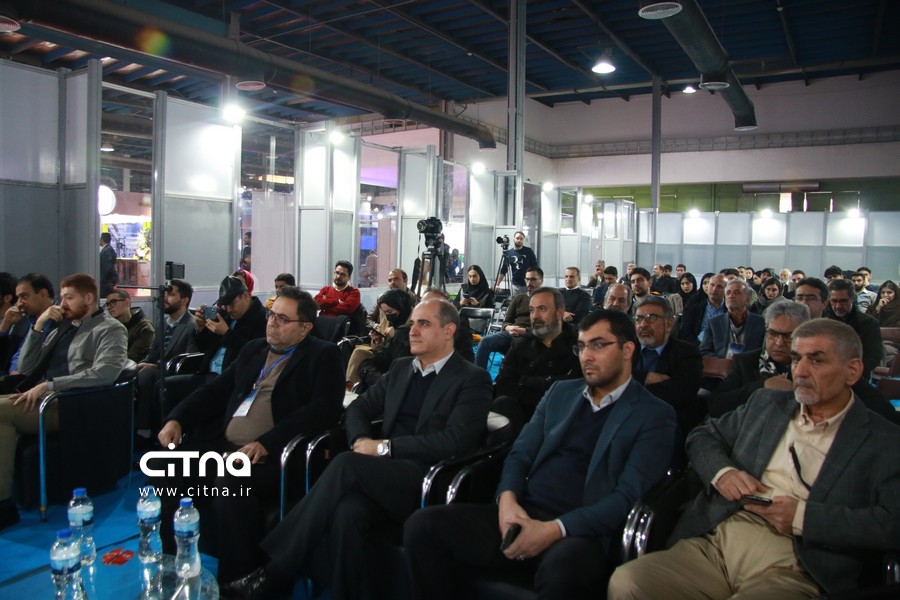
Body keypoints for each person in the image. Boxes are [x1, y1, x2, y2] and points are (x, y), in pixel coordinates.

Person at [608, 318, 900, 599]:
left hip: (800, 561)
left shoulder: (883, 440)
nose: (800, 371)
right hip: (721, 536)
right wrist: (723, 473)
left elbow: (892, 523)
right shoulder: (767, 404)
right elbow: (703, 436)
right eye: (796, 359)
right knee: (628, 582)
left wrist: (803, 518)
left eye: (816, 360)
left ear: (852, 371)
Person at [221, 299, 493, 600]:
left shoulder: (471, 378)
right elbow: (359, 408)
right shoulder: (402, 368)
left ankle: (275, 572)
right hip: (380, 475)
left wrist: (383, 448)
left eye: (423, 324)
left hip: (429, 479)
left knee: (345, 464)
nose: (412, 331)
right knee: (347, 511)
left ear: (449, 331)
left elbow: (454, 441)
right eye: (412, 323)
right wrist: (362, 440)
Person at [403, 310, 677, 600]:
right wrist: (507, 500)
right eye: (581, 346)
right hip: (524, 511)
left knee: (563, 573)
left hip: (582, 531)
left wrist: (555, 529)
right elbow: (520, 453)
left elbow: (625, 498)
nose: (586, 356)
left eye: (598, 345)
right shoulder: (561, 393)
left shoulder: (654, 415)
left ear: (627, 350)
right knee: (422, 527)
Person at [151, 287, 344, 583]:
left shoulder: (324, 355)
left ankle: (238, 581)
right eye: (271, 315)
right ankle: (173, 564)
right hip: (224, 444)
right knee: (166, 464)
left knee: (231, 479)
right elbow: (215, 391)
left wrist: (267, 443)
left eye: (282, 319)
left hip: (275, 456)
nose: (272, 322)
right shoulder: (254, 349)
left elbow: (322, 411)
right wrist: (177, 419)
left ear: (305, 328)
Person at [0, 273, 127, 529]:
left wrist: (51, 385)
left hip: (71, 404)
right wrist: (39, 326)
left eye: (69, 298)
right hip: (44, 395)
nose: (62, 304)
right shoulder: (63, 327)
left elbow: (105, 373)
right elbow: (27, 366)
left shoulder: (110, 329)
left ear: (88, 298)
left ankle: (3, 505)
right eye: (62, 298)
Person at [708, 300, 897, 424]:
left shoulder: (822, 368)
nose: (778, 343)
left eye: (788, 336)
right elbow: (716, 405)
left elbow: (883, 412)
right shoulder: (748, 362)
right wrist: (762, 386)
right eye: (773, 333)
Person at [492, 287, 582, 435]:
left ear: (559, 312)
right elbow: (504, 384)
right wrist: (549, 382)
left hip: (562, 422)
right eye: (532, 310)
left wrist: (524, 381)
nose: (535, 316)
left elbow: (572, 390)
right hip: (521, 417)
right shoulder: (520, 345)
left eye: (542, 309)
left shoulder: (579, 346)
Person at [631, 296, 704, 436]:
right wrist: (644, 377)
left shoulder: (688, 353)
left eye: (651, 318)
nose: (643, 324)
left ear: (669, 324)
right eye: (638, 319)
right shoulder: (625, 348)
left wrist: (627, 388)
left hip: (666, 422)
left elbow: (679, 394)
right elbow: (608, 377)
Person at [134, 278, 198, 432]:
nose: (165, 298)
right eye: (165, 294)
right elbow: (153, 352)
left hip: (175, 371)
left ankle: (144, 429)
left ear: (184, 300)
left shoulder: (192, 325)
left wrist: (155, 366)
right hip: (157, 368)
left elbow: (189, 360)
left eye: (171, 295)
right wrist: (142, 363)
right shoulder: (162, 322)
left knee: (147, 375)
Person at [475, 267, 543, 370]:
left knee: (517, 346)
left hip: (531, 337)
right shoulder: (519, 298)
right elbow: (506, 322)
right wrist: (509, 328)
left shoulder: (545, 301)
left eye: (533, 279)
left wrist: (525, 331)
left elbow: (547, 328)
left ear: (541, 281)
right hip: (511, 334)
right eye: (527, 279)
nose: (529, 283)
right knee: (485, 341)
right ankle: (479, 377)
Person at [824, 279, 882, 381]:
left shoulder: (869, 324)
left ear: (853, 298)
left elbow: (873, 357)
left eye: (843, 301)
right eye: (834, 301)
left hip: (856, 377)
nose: (838, 306)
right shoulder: (822, 323)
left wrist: (850, 373)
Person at [0, 273, 55, 381]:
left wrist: (19, 376)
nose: (19, 303)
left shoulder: (58, 321)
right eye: (18, 298)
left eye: (24, 296)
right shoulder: (23, 320)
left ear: (43, 294)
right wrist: (5, 324)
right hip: (9, 377)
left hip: (32, 381)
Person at [700, 279, 765, 359]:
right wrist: (722, 361)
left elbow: (764, 352)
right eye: (728, 293)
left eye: (736, 292)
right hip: (722, 365)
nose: (731, 296)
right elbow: (704, 351)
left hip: (749, 365)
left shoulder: (760, 322)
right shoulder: (714, 323)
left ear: (747, 299)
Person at [105, 289, 154, 362]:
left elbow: (132, 357)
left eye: (113, 302)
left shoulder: (144, 327)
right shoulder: (111, 326)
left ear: (126, 303)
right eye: (107, 304)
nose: (109, 307)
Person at [678, 273, 726, 345]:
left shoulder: (731, 310)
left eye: (719, 286)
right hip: (698, 346)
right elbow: (685, 332)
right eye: (712, 285)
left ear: (726, 290)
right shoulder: (696, 309)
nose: (714, 289)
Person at [99, 231, 118, 296]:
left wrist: (101, 279)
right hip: (108, 281)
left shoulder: (106, 251)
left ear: (102, 239)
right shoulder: (109, 249)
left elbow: (107, 268)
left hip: (106, 282)